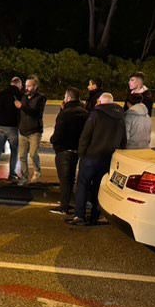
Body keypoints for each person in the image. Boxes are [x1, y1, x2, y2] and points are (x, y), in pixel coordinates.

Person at [68, 93, 126, 226]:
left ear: (100, 102)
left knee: (83, 185)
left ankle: (79, 215)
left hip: (91, 156)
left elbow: (85, 135)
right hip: (108, 158)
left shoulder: (96, 115)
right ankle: (96, 215)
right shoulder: (120, 118)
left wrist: (82, 153)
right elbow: (123, 140)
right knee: (99, 188)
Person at [49, 87, 89, 215]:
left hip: (64, 149)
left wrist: (53, 141)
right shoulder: (84, 112)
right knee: (71, 178)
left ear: (68, 98)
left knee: (64, 179)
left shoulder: (65, 113)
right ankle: (68, 203)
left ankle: (64, 206)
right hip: (77, 149)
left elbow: (58, 132)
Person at [0, 76, 23, 180]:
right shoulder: (18, 95)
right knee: (14, 150)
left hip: (1, 126)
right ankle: (12, 173)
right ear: (18, 84)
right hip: (13, 126)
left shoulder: (2, 94)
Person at [17, 75, 47, 185]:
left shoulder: (40, 98)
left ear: (35, 86)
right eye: (26, 86)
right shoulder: (24, 97)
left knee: (33, 154)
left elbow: (36, 113)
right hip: (23, 130)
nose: (27, 88)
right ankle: (24, 177)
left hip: (34, 131)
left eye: (29, 86)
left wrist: (22, 107)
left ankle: (37, 171)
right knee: (22, 156)